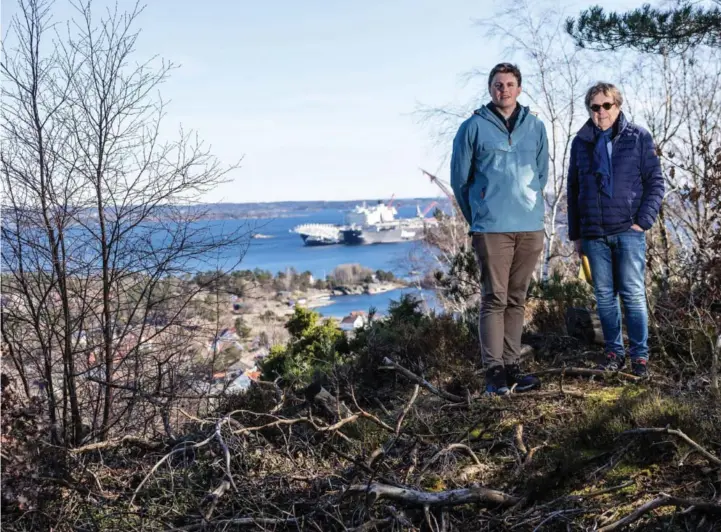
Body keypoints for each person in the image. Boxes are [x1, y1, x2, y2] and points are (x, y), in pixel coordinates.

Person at [451, 63, 548, 395]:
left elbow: (541, 175)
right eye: (497, 85)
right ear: (490, 89)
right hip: (492, 228)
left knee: (517, 299)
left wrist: (529, 205)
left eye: (509, 84)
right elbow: (459, 181)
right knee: (495, 298)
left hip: (530, 227)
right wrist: (480, 216)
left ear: (519, 89)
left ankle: (512, 368)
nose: (503, 90)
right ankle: (494, 374)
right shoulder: (472, 128)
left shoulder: (535, 127)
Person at [567, 82, 664, 378]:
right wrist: (576, 235)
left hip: (628, 231)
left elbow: (656, 183)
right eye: (595, 107)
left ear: (618, 106)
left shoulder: (638, 137)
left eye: (606, 105)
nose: (601, 112)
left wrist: (642, 222)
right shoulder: (580, 142)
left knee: (633, 296)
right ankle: (613, 354)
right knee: (605, 297)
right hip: (594, 235)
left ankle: (640, 359)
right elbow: (573, 190)